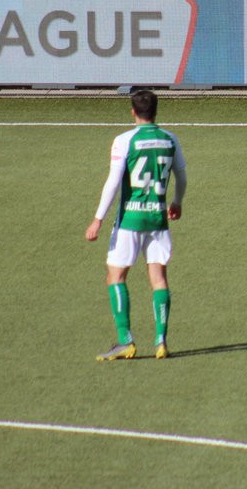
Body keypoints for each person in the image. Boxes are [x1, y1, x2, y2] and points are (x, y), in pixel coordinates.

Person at [85, 90, 186, 360]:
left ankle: (125, 340)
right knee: (159, 279)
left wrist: (98, 218)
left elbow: (113, 182)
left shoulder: (124, 140)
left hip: (130, 220)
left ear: (133, 112)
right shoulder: (170, 139)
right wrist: (176, 201)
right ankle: (161, 340)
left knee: (115, 276)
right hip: (158, 220)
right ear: (156, 111)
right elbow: (182, 175)